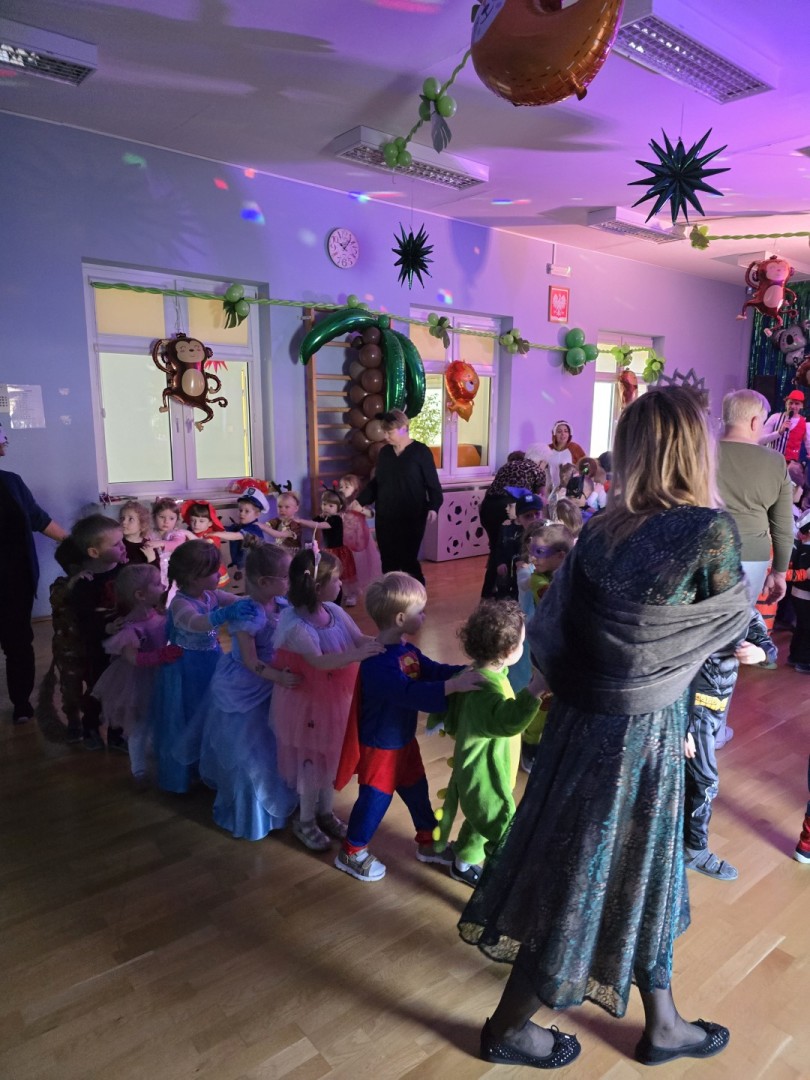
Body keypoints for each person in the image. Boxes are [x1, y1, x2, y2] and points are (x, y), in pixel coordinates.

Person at [458, 387, 750, 1070]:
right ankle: (506, 1028)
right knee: (582, 874)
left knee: (634, 866)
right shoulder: (709, 531)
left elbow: (562, 632)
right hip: (643, 732)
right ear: (693, 449)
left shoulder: (600, 530)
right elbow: (729, 622)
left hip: (582, 721)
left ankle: (664, 1023)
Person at [333, 571, 480, 883]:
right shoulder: (377, 663)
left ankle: (428, 842)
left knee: (416, 790)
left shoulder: (406, 651)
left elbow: (433, 671)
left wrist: (466, 672)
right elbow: (408, 693)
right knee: (375, 800)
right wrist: (454, 687)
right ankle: (351, 851)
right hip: (380, 746)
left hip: (402, 741)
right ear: (400, 618)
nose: (425, 616)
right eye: (420, 611)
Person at [270, 547, 383, 852]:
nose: (341, 583)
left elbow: (357, 638)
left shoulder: (334, 611)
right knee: (311, 761)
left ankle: (325, 811)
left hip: (335, 701)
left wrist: (382, 642)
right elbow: (319, 662)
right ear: (317, 587)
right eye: (336, 579)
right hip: (306, 704)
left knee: (331, 755)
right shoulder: (296, 625)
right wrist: (357, 655)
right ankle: (305, 819)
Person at [429, 600, 547, 886]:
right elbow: (507, 721)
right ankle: (496, 884)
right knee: (501, 827)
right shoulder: (485, 690)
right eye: (521, 643)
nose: (523, 647)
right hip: (484, 777)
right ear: (508, 652)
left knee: (479, 822)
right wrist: (535, 689)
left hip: (483, 769)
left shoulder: (478, 674)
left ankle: (463, 861)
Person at [194, 539, 300, 839]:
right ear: (265, 581)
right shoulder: (248, 615)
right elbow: (251, 661)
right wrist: (278, 677)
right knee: (251, 751)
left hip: (274, 679)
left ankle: (277, 802)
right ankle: (251, 816)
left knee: (275, 745)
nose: (290, 582)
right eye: (286, 577)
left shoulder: (279, 604)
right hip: (248, 685)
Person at [150, 541, 252, 793]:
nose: (219, 574)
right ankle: (183, 774)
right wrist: (223, 615)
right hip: (186, 669)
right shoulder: (180, 603)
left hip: (212, 661)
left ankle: (207, 766)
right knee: (189, 716)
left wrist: (263, 599)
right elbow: (197, 623)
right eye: (213, 571)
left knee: (211, 714)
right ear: (194, 577)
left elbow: (237, 600)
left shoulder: (211, 595)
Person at [684, 609, 776, 881]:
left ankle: (676, 837)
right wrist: (680, 724)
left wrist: (762, 651)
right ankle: (694, 849)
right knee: (704, 780)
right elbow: (670, 666)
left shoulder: (736, 599)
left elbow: (755, 626)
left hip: (715, 707)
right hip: (691, 710)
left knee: (690, 777)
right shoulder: (690, 606)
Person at [0, 420, 68, 723]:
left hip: (15, 579)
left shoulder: (12, 482)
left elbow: (39, 519)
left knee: (17, 643)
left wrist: (74, 542)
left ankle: (21, 703)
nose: (5, 441)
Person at [91, 564, 182, 786]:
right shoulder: (130, 628)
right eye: (157, 584)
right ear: (140, 595)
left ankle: (159, 757)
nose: (163, 586)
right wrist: (161, 655)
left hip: (161, 675)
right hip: (138, 680)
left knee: (161, 718)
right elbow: (133, 658)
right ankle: (138, 769)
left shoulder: (159, 615)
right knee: (139, 725)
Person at [717, 389, 794, 605]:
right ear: (754, 422)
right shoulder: (776, 462)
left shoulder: (698, 453)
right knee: (739, 621)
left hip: (700, 552)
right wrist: (779, 573)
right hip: (752, 556)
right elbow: (783, 528)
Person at [509, 522, 574, 772]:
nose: (533, 558)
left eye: (539, 553)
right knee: (542, 700)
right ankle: (530, 744)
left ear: (561, 556)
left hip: (566, 651)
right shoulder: (539, 579)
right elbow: (558, 601)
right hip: (546, 652)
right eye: (532, 552)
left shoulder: (568, 574)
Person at [355, 409, 443, 585]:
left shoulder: (420, 452)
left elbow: (433, 484)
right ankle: (391, 596)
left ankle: (417, 596)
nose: (385, 436)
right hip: (386, 515)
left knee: (408, 561)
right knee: (388, 561)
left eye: (390, 432)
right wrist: (360, 500)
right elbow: (377, 482)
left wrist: (434, 507)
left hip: (412, 515)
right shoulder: (385, 453)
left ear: (404, 428)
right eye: (384, 432)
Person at [66, 514, 129, 751]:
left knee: (122, 688)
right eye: (116, 544)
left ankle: (116, 733)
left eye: (122, 541)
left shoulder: (124, 571)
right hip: (98, 648)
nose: (123, 547)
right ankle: (90, 726)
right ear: (94, 552)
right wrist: (105, 628)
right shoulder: (85, 583)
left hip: (124, 644)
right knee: (99, 688)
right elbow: (84, 619)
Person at [479, 450, 547, 598]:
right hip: (509, 506)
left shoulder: (507, 466)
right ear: (541, 461)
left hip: (488, 507)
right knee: (517, 547)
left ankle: (489, 593)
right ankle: (515, 591)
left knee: (497, 548)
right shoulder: (537, 470)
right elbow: (542, 498)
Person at [492, 493, 543, 600]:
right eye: (528, 516)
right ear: (519, 518)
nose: (534, 519)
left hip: (534, 577)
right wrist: (500, 562)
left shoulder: (546, 532)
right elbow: (500, 548)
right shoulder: (508, 530)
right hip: (512, 577)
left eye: (537, 514)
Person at [337, 473, 382, 594]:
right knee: (346, 565)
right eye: (341, 487)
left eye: (347, 487)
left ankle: (358, 587)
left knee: (360, 564)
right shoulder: (339, 504)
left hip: (360, 540)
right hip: (345, 540)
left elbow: (371, 514)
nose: (342, 489)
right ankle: (349, 590)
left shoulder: (359, 503)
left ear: (356, 489)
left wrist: (361, 510)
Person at [315, 488, 358, 606]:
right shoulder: (324, 517)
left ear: (339, 507)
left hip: (338, 551)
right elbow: (315, 520)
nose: (326, 507)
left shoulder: (336, 519)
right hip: (328, 550)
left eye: (331, 506)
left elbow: (317, 525)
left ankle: (349, 595)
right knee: (330, 574)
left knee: (343, 575)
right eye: (324, 504)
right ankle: (332, 595)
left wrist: (301, 521)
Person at [226, 485, 270, 584]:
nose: (242, 513)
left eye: (247, 511)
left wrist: (216, 533)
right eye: (240, 510)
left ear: (257, 514)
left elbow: (236, 535)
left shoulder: (253, 529)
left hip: (256, 569)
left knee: (254, 588)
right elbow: (226, 529)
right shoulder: (238, 526)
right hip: (245, 568)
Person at [759, 388, 810, 469]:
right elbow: (760, 440)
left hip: (791, 466)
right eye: (790, 403)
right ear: (786, 403)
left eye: (797, 404)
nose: (793, 406)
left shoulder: (806, 424)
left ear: (802, 406)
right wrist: (779, 432)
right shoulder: (775, 418)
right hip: (772, 461)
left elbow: (808, 445)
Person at [259, 489, 324, 552]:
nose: (282, 510)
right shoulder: (277, 521)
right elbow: (266, 525)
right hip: (281, 552)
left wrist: (264, 528)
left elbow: (279, 535)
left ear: (296, 508)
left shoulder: (295, 524)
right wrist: (264, 526)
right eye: (280, 506)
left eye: (287, 507)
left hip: (293, 553)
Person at [786, 508, 810, 672]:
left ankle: (795, 656)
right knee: (806, 627)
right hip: (804, 593)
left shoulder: (802, 547)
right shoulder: (805, 549)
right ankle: (804, 661)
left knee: (802, 626)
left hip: (800, 593)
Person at [541, 420, 586, 491]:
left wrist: (579, 475)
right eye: (559, 431)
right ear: (554, 434)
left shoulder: (575, 448)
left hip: (570, 490)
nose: (563, 434)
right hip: (551, 490)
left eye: (566, 431)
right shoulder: (547, 449)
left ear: (569, 434)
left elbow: (587, 467)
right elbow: (541, 469)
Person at [117, 500, 156, 567]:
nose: (124, 522)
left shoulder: (148, 545)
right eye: (122, 518)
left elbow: (156, 571)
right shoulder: (117, 544)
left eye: (131, 519)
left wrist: (152, 560)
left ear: (143, 525)